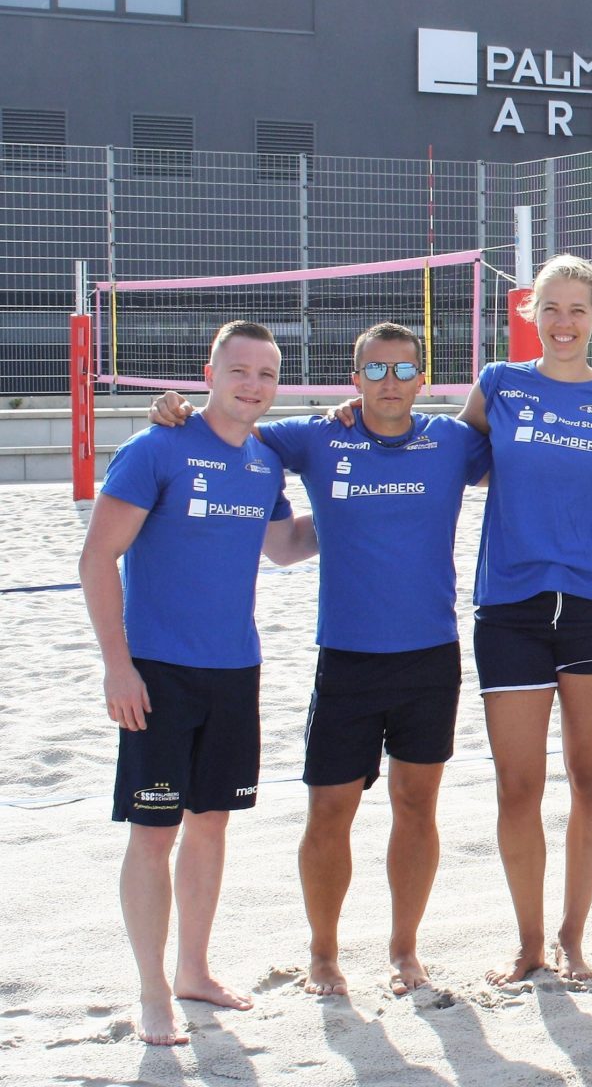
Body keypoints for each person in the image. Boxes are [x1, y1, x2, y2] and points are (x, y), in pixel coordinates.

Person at [150, 322, 490, 996]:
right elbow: (232, 429)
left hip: (430, 655)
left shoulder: (451, 443)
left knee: (416, 805)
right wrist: (173, 410)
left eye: (402, 371)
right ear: (354, 378)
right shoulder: (316, 436)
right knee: (329, 811)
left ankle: (403, 950)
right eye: (375, 369)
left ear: (423, 380)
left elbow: (535, 463)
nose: (389, 382)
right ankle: (325, 954)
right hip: (347, 658)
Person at [79, 321, 313, 1046]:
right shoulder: (157, 447)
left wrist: (352, 513)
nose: (252, 383)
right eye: (239, 369)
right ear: (209, 373)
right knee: (155, 833)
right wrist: (118, 665)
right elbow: (97, 561)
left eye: (267, 373)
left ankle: (194, 971)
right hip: (156, 672)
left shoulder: (265, 462)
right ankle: (153, 994)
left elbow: (281, 547)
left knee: (211, 825)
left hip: (234, 669)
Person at [462, 255, 592, 984]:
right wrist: (350, 418)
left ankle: (574, 938)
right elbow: (441, 462)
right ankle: (528, 946)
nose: (563, 322)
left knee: (590, 775)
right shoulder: (499, 386)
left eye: (577, 308)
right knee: (517, 786)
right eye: (550, 308)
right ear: (530, 314)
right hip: (511, 606)